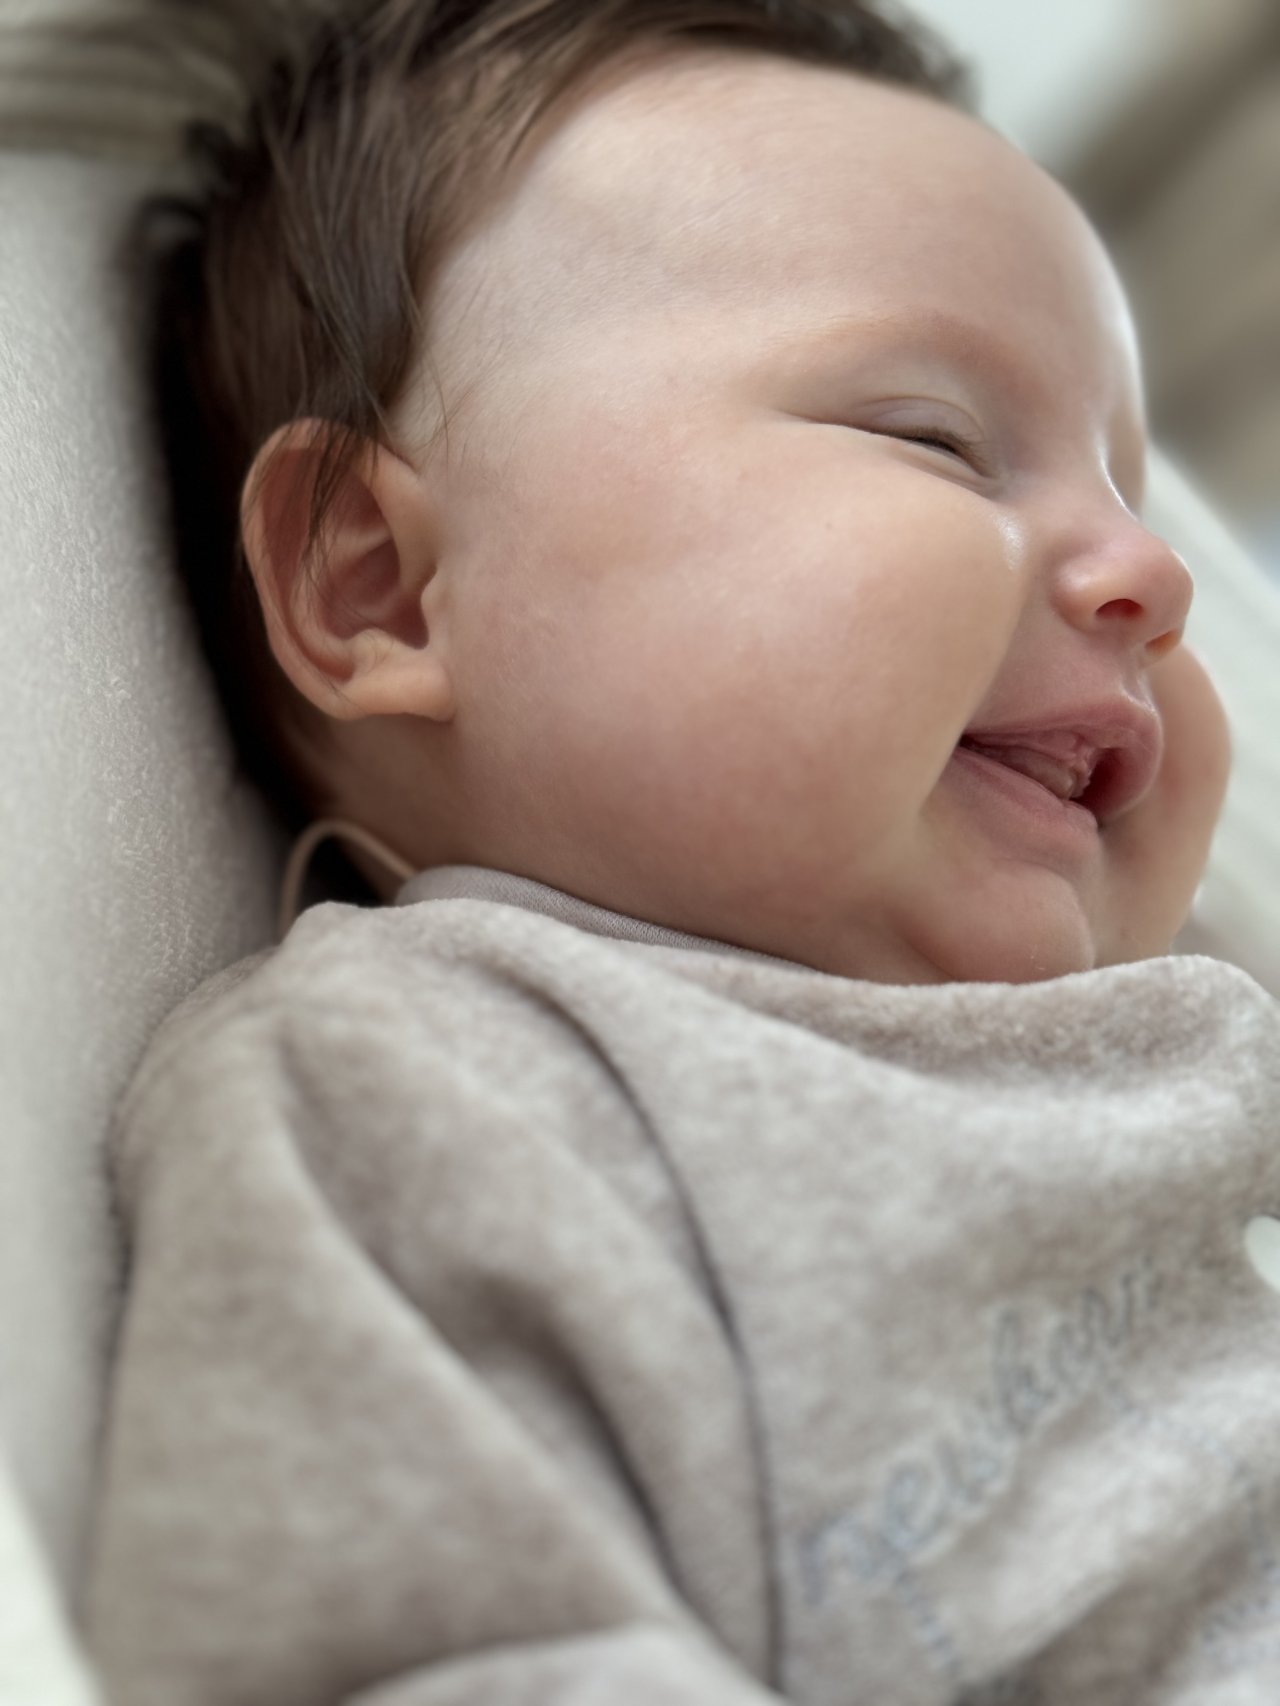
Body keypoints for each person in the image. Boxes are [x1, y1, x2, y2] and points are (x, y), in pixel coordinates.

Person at [83, 2, 1280, 1703]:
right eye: (933, 439)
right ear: (383, 588)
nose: (1152, 580)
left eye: (1133, 496)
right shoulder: (441, 1082)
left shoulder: (1195, 1000)